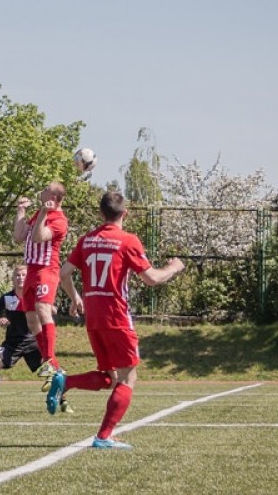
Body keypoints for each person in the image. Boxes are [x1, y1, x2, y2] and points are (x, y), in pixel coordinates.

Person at [48, 191, 185, 449]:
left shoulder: (87, 240)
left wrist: (77, 298)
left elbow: (64, 273)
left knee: (110, 377)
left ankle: (66, 382)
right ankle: (103, 436)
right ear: (126, 213)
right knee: (127, 378)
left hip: (94, 318)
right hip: (117, 317)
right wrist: (175, 268)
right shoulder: (127, 240)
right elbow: (152, 278)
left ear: (101, 214)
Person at [0, 264, 72, 415]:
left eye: (23, 275)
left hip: (34, 342)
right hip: (12, 343)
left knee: (55, 369)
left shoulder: (35, 296)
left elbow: (53, 310)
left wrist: (45, 306)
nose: (20, 278)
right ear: (13, 279)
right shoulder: (7, 298)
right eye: (17, 276)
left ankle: (64, 402)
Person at [12, 181, 68, 379]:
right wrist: (21, 211)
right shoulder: (38, 213)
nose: (41, 191)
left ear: (52, 198)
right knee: (31, 319)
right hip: (31, 270)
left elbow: (38, 237)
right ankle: (52, 364)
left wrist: (44, 214)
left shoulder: (59, 220)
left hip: (46, 270)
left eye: (45, 189)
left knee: (43, 311)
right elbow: (19, 236)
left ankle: (49, 360)